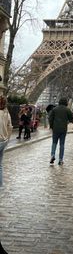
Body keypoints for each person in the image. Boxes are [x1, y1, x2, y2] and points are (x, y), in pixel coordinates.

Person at [0, 96, 12, 254]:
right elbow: (10, 128)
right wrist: (7, 140)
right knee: (0, 165)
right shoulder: (6, 113)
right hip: (3, 142)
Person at [49, 97, 73, 165]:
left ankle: (52, 155)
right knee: (62, 144)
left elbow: (50, 118)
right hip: (63, 129)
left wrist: (51, 126)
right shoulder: (67, 110)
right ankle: (60, 159)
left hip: (55, 129)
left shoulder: (54, 109)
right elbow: (71, 119)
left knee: (54, 143)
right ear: (66, 102)